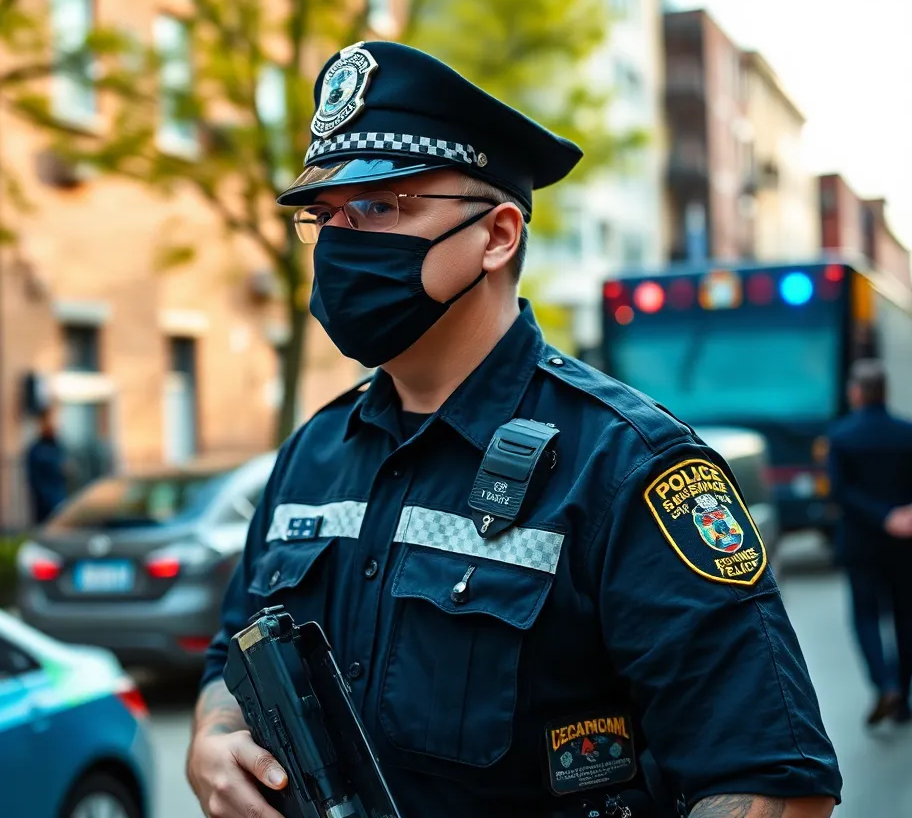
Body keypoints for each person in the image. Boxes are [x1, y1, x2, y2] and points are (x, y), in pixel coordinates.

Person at [186, 41, 841, 818]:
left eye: (378, 207)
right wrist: (212, 737)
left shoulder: (626, 465)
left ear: (497, 236)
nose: (339, 242)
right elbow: (234, 651)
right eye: (324, 216)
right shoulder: (312, 454)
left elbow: (773, 784)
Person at [825, 358, 912, 726]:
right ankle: (902, 698)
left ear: (857, 393)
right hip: (905, 542)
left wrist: (880, 516)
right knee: (905, 617)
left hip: (861, 541)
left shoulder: (841, 436)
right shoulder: (906, 432)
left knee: (865, 615)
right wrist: (900, 514)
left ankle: (884, 683)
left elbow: (841, 491)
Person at [25, 408, 69, 524]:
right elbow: (33, 478)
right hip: (44, 502)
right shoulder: (36, 449)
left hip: (60, 498)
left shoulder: (59, 447)